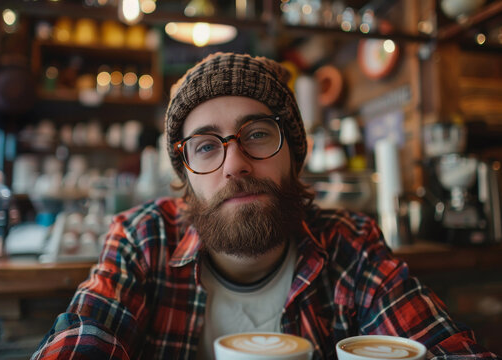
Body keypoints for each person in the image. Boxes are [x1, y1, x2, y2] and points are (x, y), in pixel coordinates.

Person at [32, 53, 501, 360]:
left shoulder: (350, 245)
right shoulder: (142, 239)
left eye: (257, 134)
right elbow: (84, 339)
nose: (234, 164)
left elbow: (450, 351)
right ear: (185, 175)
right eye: (206, 146)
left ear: (294, 155)